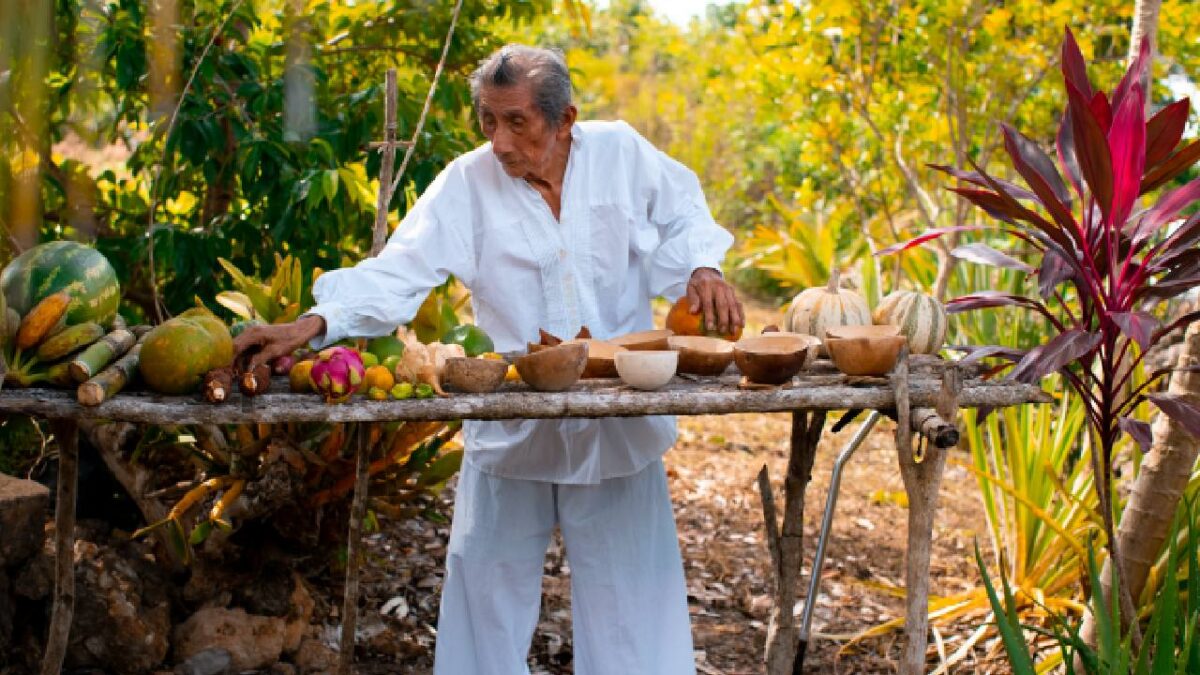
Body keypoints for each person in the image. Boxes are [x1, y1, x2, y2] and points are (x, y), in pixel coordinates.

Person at [233, 44, 744, 675]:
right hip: (514, 429)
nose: (499, 142)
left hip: (617, 427)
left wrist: (702, 263)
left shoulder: (621, 154)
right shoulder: (465, 184)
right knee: (485, 607)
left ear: (565, 119)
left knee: (632, 608)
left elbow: (683, 207)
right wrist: (314, 323)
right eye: (487, 121)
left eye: (517, 122)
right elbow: (399, 272)